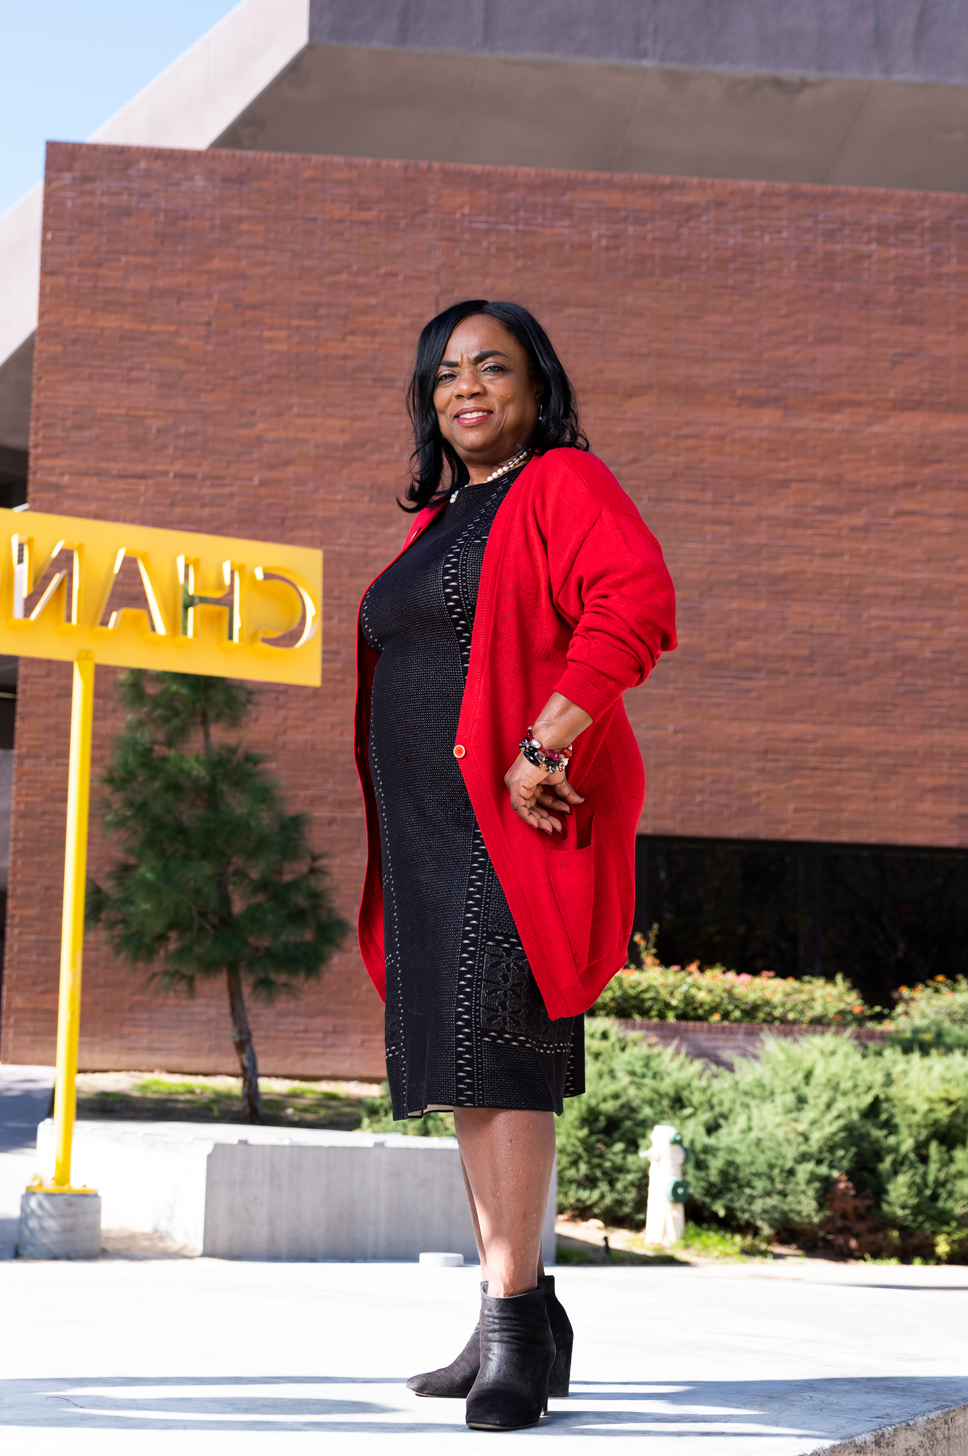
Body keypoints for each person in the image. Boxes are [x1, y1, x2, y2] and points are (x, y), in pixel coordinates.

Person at [355, 299, 676, 1432]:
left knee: (503, 1062)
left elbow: (633, 602)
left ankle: (513, 1334)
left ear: (537, 389)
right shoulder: (442, 518)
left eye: (492, 367)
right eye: (445, 372)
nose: (465, 387)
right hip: (429, 837)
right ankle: (517, 1312)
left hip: (511, 824)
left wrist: (547, 737)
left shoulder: (560, 486)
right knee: (461, 1068)